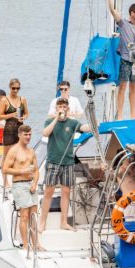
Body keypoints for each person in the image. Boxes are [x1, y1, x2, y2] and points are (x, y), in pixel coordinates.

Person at [38, 98, 89, 233]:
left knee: (66, 192)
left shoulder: (72, 123)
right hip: (53, 161)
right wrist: (56, 118)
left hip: (68, 162)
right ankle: (42, 222)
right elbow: (45, 133)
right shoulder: (50, 121)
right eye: (59, 106)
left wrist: (94, 125)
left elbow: (84, 128)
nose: (62, 108)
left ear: (68, 109)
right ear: (56, 108)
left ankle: (64, 222)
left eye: (64, 106)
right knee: (49, 191)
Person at [106, 0, 135, 119]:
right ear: (132, 13)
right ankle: (120, 115)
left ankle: (133, 115)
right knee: (122, 87)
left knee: (134, 89)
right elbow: (112, 10)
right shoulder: (123, 23)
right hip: (125, 59)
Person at [2, 125, 41, 252]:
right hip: (19, 185)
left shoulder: (31, 151)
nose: (28, 137)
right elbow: (5, 169)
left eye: (30, 134)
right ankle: (25, 244)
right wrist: (22, 171)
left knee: (34, 216)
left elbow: (36, 170)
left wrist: (35, 183)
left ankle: (37, 244)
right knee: (24, 216)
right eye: (26, 134)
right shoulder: (14, 151)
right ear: (19, 135)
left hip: (31, 185)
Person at [0, 79, 29, 186]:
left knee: (20, 155)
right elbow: (0, 116)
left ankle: (17, 179)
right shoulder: (4, 100)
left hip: (20, 130)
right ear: (9, 88)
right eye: (13, 88)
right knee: (6, 157)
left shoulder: (23, 99)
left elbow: (26, 114)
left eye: (18, 88)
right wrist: (11, 115)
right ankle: (5, 181)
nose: (16, 90)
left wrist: (23, 117)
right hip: (9, 130)